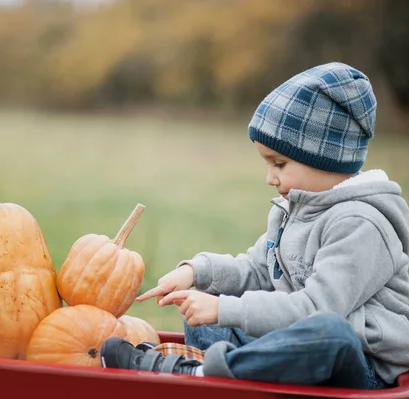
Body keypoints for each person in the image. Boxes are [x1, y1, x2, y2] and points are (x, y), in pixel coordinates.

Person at [100, 62, 409, 390]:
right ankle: (225, 374)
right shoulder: (294, 209)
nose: (269, 177)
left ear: (326, 159)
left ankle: (198, 373)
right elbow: (257, 268)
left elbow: (316, 309)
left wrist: (224, 309)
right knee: (208, 298)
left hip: (361, 367)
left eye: (279, 164)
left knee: (330, 333)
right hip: (295, 345)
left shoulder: (361, 225)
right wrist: (197, 272)